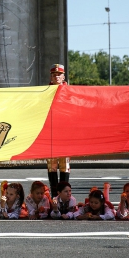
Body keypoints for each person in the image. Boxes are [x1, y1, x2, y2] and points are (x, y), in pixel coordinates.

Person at [45, 64, 71, 193]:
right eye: (54, 75)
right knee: (51, 164)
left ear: (63, 76)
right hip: (50, 131)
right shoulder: (45, 91)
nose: (57, 77)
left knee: (64, 163)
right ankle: (55, 195)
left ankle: (65, 194)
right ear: (51, 76)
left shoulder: (69, 91)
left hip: (64, 131)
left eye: (59, 75)